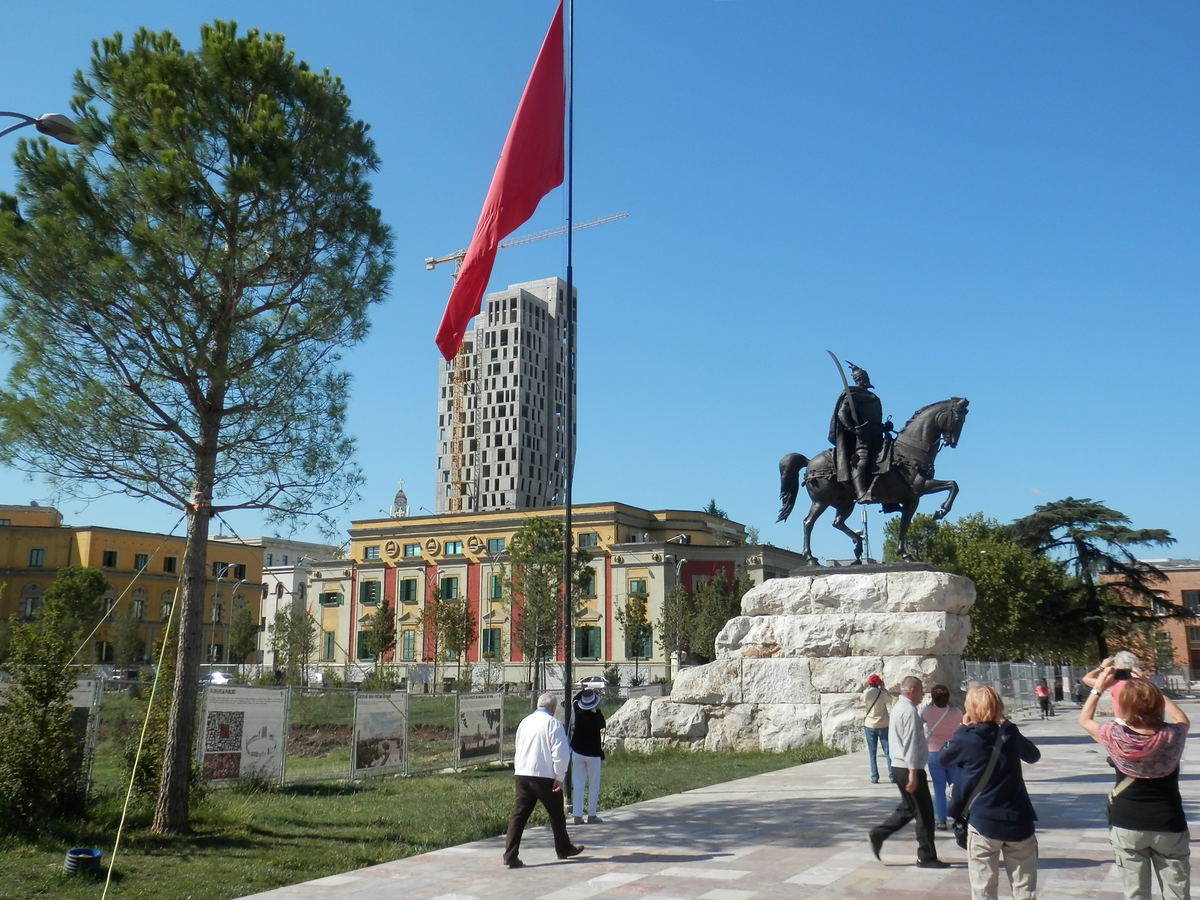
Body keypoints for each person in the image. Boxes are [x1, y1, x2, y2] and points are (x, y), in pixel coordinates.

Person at [1079, 666, 1190, 899]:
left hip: (1127, 821)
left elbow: (1085, 720)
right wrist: (1152, 688)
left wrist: (1098, 688)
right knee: (1177, 892)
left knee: (1136, 892)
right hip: (1168, 820)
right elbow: (1182, 719)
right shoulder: (1173, 735)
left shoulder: (1115, 735)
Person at [942, 686, 1041, 900]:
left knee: (983, 890)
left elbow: (944, 758)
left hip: (983, 821)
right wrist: (1007, 724)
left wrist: (961, 728)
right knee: (1025, 890)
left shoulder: (966, 739)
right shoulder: (1009, 734)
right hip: (1018, 819)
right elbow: (1033, 756)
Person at [868, 676, 948, 869]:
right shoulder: (910, 712)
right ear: (912, 691)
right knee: (924, 813)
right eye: (921, 690)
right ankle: (926, 856)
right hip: (909, 767)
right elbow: (910, 743)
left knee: (909, 808)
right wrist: (913, 772)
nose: (923, 694)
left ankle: (879, 834)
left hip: (899, 766)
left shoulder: (898, 707)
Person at [502, 692, 584, 868]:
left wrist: (518, 769)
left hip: (523, 774)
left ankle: (510, 855)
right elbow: (560, 753)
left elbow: (518, 746)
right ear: (553, 708)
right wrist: (559, 777)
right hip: (544, 776)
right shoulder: (553, 724)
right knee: (556, 814)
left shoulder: (525, 722)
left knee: (518, 816)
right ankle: (563, 848)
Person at [828, 362, 889, 502]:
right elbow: (842, 414)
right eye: (863, 377)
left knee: (892, 458)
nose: (866, 379)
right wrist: (853, 429)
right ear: (859, 379)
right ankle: (861, 493)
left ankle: (888, 499)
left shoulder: (874, 397)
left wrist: (884, 427)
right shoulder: (852, 395)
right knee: (862, 459)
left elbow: (875, 420)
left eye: (866, 376)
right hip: (862, 437)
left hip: (877, 436)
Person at [921, 684, 963, 829]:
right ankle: (958, 818)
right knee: (955, 787)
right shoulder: (956, 712)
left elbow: (921, 720)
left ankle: (941, 820)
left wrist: (931, 705)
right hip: (952, 752)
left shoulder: (927, 711)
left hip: (934, 752)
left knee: (939, 788)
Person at [570, 677, 607, 825]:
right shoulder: (597, 718)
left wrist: (584, 691)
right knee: (593, 784)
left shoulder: (578, 711)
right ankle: (592, 815)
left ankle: (577, 816)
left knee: (578, 784)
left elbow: (575, 699)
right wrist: (597, 704)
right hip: (593, 753)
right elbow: (602, 723)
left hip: (577, 751)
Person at [1083, 650, 1140, 719]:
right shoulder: (1143, 684)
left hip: (1122, 721)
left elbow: (1086, 679)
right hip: (1142, 720)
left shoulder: (1113, 684)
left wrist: (1102, 667)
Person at [862, 674, 892, 784]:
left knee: (872, 752)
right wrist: (883, 688)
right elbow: (890, 699)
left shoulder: (866, 694)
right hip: (883, 724)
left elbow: (862, 698)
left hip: (870, 725)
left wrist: (867, 687)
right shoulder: (882, 694)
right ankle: (892, 775)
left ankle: (874, 776)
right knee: (888, 751)